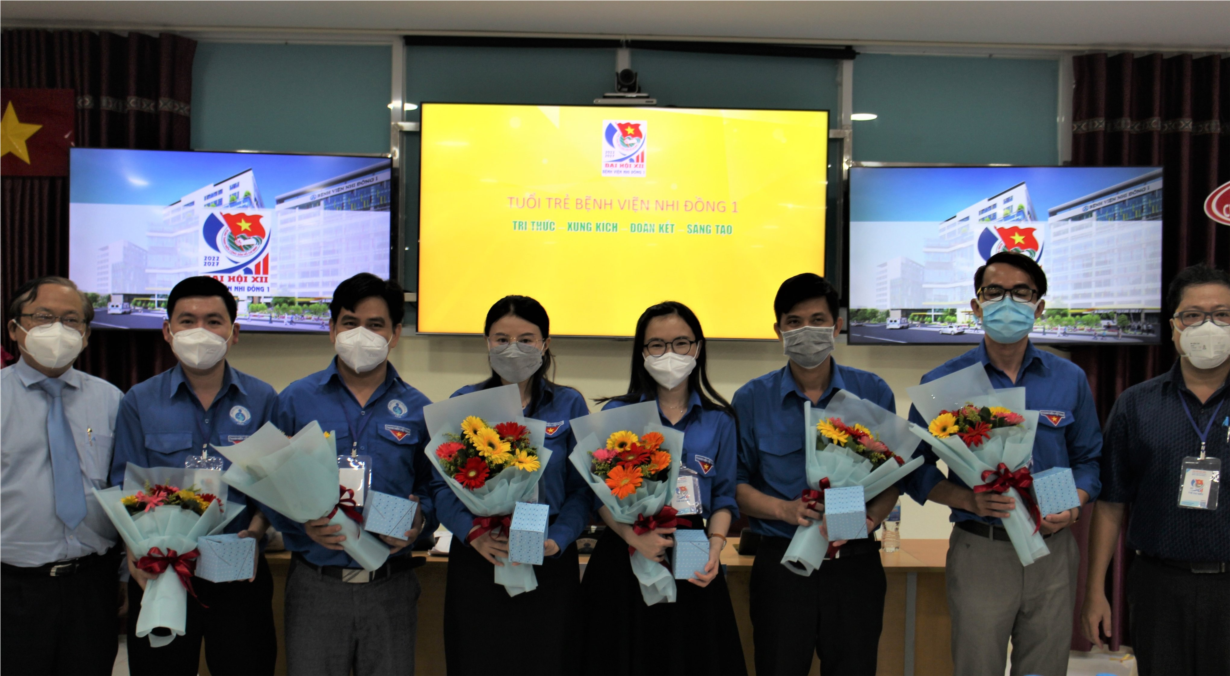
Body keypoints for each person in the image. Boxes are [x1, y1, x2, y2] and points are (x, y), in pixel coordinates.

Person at [902, 251, 1102, 676]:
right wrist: (967, 500)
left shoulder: (1068, 378)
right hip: (981, 548)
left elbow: (1088, 458)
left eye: (1021, 293)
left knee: (1045, 668)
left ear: (1039, 307)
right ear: (977, 306)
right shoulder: (942, 383)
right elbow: (914, 468)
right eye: (994, 292)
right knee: (977, 667)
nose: (1007, 302)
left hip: (1053, 549)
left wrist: (1074, 502)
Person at [111, 276, 277, 675]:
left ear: (234, 332)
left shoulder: (264, 399)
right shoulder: (139, 400)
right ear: (167, 331)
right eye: (187, 321)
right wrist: (136, 548)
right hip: (163, 568)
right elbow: (124, 483)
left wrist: (256, 530)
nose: (200, 331)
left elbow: (274, 485)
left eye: (213, 321)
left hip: (238, 567)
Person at [734, 273, 898, 676]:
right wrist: (784, 510)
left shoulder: (872, 391)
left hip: (854, 563)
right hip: (781, 563)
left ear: (836, 326)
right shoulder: (752, 399)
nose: (806, 330)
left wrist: (871, 518)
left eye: (817, 320)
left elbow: (893, 475)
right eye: (794, 321)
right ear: (779, 331)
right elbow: (735, 484)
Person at [271, 273, 431, 676]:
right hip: (316, 584)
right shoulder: (295, 399)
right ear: (331, 329)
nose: (361, 334)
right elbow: (268, 483)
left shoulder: (418, 408)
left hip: (390, 586)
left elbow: (432, 486)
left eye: (375, 325)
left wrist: (420, 522)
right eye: (349, 322)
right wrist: (299, 525)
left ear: (395, 334)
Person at [581, 301, 747, 676]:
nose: (669, 353)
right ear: (642, 353)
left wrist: (715, 548)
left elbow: (724, 497)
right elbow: (597, 494)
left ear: (697, 348)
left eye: (681, 343)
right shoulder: (616, 414)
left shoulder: (719, 419)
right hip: (626, 551)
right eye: (657, 344)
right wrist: (633, 537)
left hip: (694, 554)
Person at [1082, 264, 1230, 675]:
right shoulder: (1136, 404)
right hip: (1158, 585)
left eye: (1222, 315)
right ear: (1174, 328)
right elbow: (1111, 504)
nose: (1208, 326)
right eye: (1193, 315)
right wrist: (1095, 590)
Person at [432, 295, 590, 676]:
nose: (513, 348)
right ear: (487, 343)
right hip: (480, 556)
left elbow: (583, 489)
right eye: (502, 339)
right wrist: (473, 534)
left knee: (550, 661)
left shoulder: (569, 403)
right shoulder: (464, 402)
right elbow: (439, 486)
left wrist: (559, 539)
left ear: (545, 344)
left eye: (526, 339)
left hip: (549, 561)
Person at [0, 276, 123, 676]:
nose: (58, 329)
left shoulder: (111, 399)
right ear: (15, 329)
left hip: (92, 585)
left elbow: (125, 488)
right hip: (12, 587)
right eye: (43, 317)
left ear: (86, 335)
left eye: (71, 320)